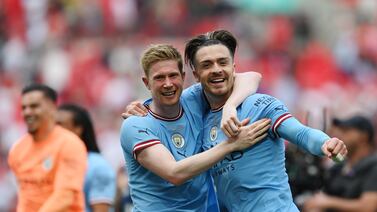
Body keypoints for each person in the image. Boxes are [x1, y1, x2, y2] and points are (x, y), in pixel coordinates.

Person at [182, 29, 348, 212]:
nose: (216, 69)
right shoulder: (202, 123)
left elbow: (300, 132)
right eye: (207, 65)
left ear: (234, 68)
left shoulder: (260, 104)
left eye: (223, 62)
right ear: (196, 75)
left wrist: (325, 143)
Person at [120, 44, 271, 211]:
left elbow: (251, 77)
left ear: (183, 77)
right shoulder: (136, 124)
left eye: (173, 75)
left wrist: (230, 106)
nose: (168, 84)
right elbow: (174, 173)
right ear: (146, 82)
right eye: (159, 78)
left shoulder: (193, 99)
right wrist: (232, 144)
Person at [7, 84, 87, 212]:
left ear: (52, 108)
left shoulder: (70, 144)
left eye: (34, 106)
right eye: (24, 108)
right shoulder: (17, 150)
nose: (27, 112)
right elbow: (24, 196)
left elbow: (65, 196)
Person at [304, 115, 377, 212]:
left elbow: (368, 207)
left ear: (363, 136)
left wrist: (328, 202)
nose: (340, 135)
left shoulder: (373, 165)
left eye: (346, 130)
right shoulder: (339, 165)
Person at [56, 104, 116, 212]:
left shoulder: (97, 166)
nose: (54, 130)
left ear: (78, 129)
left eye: (60, 124)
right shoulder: (51, 161)